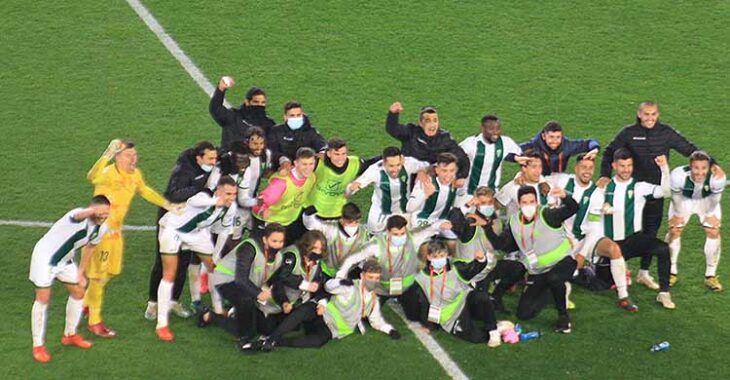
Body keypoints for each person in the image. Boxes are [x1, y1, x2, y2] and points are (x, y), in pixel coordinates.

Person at [84, 140, 179, 338]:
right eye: (129, 155)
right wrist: (106, 155)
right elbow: (91, 177)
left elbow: (145, 191)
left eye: (135, 155)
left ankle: (86, 303)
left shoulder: (135, 175)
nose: (134, 159)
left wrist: (167, 205)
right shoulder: (109, 173)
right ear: (118, 157)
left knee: (112, 272)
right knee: (98, 277)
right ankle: (94, 320)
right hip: (100, 233)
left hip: (116, 233)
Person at [599, 101, 710, 239]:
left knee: (651, 230)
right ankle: (612, 257)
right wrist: (605, 175)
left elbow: (689, 149)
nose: (650, 118)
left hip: (657, 190)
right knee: (625, 229)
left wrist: (713, 165)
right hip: (634, 190)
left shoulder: (666, 133)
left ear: (658, 114)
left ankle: (645, 261)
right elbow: (609, 152)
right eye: (646, 114)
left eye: (653, 114)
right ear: (639, 114)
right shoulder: (628, 133)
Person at [485, 185, 579, 333]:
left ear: (536, 202)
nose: (529, 205)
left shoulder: (548, 214)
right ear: (519, 203)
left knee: (555, 278)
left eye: (531, 201)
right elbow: (505, 246)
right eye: (525, 202)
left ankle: (563, 318)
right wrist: (486, 228)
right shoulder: (514, 221)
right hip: (538, 270)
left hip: (563, 262)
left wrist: (565, 196)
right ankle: (556, 291)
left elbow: (573, 208)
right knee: (524, 313)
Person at [154, 177, 237, 341]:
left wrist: (216, 254)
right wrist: (215, 202)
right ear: (218, 191)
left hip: (197, 234)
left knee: (215, 267)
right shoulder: (203, 197)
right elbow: (194, 201)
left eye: (234, 194)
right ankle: (161, 324)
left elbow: (224, 232)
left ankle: (218, 309)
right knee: (169, 274)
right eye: (228, 193)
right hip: (173, 231)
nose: (231, 198)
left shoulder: (231, 207)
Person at [29, 196, 111, 363]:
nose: (104, 216)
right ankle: (38, 345)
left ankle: (70, 335)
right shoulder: (77, 216)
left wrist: (81, 272)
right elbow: (78, 216)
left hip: (64, 260)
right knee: (43, 299)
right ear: (92, 209)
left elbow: (90, 248)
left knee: (79, 291)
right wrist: (91, 211)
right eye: (101, 212)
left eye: (107, 213)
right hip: (45, 258)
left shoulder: (101, 228)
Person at [551, 154, 638, 311]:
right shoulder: (563, 181)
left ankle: (623, 296)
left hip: (585, 238)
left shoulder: (596, 194)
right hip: (562, 238)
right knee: (558, 271)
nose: (587, 171)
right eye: (584, 167)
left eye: (591, 168)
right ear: (576, 168)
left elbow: (594, 226)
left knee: (614, 249)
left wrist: (583, 253)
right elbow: (542, 177)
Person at [593, 149, 675, 308]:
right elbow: (590, 211)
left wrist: (664, 168)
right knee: (602, 284)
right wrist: (601, 207)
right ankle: (591, 269)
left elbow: (666, 192)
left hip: (633, 239)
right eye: (622, 166)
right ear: (614, 166)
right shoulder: (604, 187)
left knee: (663, 249)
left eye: (629, 165)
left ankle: (664, 293)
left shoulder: (639, 187)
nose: (626, 169)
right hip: (610, 244)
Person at [145, 141, 218, 320]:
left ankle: (173, 301)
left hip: (189, 222)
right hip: (170, 221)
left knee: (183, 262)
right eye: (210, 159)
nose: (214, 162)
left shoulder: (205, 164)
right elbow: (173, 195)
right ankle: (153, 303)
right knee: (162, 263)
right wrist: (201, 191)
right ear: (198, 157)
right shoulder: (183, 171)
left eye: (215, 158)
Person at [259, 260, 400, 351]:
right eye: (370, 277)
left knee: (317, 342)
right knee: (303, 312)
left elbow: (376, 321)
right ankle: (272, 338)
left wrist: (389, 330)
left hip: (331, 328)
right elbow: (328, 286)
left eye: (376, 278)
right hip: (321, 312)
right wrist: (341, 281)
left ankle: (277, 342)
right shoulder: (349, 286)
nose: (373, 281)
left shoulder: (373, 299)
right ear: (362, 276)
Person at [334, 215, 445, 321]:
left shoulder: (412, 237)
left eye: (402, 233)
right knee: (365, 317)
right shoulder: (375, 245)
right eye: (396, 234)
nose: (400, 237)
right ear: (388, 232)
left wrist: (442, 224)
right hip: (381, 288)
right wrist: (340, 275)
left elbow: (430, 228)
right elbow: (352, 258)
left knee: (415, 316)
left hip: (405, 286)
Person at [198, 224, 287, 347]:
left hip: (248, 286)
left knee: (265, 329)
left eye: (281, 241)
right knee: (248, 329)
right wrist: (258, 293)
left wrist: (280, 299)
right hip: (225, 280)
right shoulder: (248, 248)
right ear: (265, 239)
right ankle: (214, 318)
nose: (277, 245)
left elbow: (272, 280)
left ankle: (227, 314)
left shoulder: (279, 257)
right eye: (274, 241)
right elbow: (240, 279)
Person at [414, 239, 500, 347]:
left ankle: (493, 330)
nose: (440, 259)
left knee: (481, 296)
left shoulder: (456, 268)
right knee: (476, 338)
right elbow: (424, 303)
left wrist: (481, 259)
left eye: (442, 256)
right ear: (429, 257)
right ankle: (501, 328)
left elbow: (474, 268)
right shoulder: (421, 278)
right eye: (436, 257)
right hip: (451, 315)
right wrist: (429, 325)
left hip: (465, 300)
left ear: (447, 255)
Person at [666, 151, 726, 291]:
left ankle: (710, 275)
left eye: (703, 168)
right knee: (674, 230)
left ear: (709, 167)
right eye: (696, 168)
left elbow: (715, 198)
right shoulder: (678, 175)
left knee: (713, 231)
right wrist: (678, 214)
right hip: (684, 200)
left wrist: (710, 214)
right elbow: (676, 197)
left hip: (707, 201)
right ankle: (671, 271)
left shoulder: (717, 178)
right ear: (690, 166)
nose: (700, 172)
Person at [347, 146, 431, 233]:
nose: (395, 169)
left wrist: (422, 172)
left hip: (404, 210)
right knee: (375, 238)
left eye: (398, 165)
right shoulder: (374, 170)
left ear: (401, 159)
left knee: (411, 236)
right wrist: (351, 188)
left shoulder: (409, 163)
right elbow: (354, 187)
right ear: (384, 162)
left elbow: (427, 166)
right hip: (380, 212)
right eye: (391, 166)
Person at [386, 102, 470, 185]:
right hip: (407, 174)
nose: (432, 124)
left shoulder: (444, 138)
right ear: (421, 123)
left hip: (430, 177)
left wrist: (461, 177)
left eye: (435, 120)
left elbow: (463, 158)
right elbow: (393, 129)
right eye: (428, 121)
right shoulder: (411, 132)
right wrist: (393, 114)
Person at [253, 147, 317, 245]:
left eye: (311, 164)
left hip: (289, 222)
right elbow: (259, 202)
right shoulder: (281, 183)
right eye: (304, 164)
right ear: (295, 163)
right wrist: (262, 211)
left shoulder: (311, 178)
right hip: (270, 223)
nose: (308, 168)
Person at [306, 137, 379, 219]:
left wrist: (388, 156)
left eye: (344, 154)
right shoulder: (317, 162)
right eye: (337, 154)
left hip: (336, 214)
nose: (341, 158)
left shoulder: (354, 164)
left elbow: (371, 163)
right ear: (329, 154)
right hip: (312, 212)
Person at [302, 203, 371, 278]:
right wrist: (309, 212)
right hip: (326, 272)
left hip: (349, 272)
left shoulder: (364, 232)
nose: (353, 225)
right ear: (342, 219)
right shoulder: (331, 228)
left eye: (356, 221)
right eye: (350, 222)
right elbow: (311, 224)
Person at [209, 76, 276, 150]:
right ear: (247, 102)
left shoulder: (268, 123)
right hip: (230, 158)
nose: (259, 105)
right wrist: (221, 89)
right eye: (256, 102)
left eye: (263, 102)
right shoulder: (233, 116)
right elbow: (216, 109)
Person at [459, 114, 522, 192]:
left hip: (491, 193)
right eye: (491, 129)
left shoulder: (506, 142)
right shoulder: (470, 143)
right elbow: (454, 159)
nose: (495, 133)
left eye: (498, 129)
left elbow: (520, 157)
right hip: (468, 192)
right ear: (482, 129)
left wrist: (520, 173)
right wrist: (459, 176)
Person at [517, 120, 600, 175]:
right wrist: (515, 158)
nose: (555, 141)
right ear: (543, 136)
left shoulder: (567, 146)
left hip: (560, 178)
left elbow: (590, 142)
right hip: (537, 178)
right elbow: (509, 151)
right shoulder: (533, 146)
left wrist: (595, 149)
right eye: (551, 137)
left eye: (558, 137)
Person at [407, 153, 464, 228]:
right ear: (437, 170)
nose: (448, 175)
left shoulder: (456, 184)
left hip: (442, 221)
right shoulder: (426, 182)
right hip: (421, 221)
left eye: (452, 170)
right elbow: (409, 208)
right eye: (444, 171)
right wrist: (425, 195)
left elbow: (460, 204)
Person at [267, 101, 327, 166]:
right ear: (285, 117)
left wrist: (323, 151)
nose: (296, 118)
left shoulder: (310, 131)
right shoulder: (276, 131)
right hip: (283, 168)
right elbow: (272, 150)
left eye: (298, 115)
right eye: (292, 115)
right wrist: (282, 159)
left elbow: (322, 144)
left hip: (305, 168)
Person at [496, 151, 555, 215]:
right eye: (534, 167)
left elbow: (553, 209)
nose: (538, 171)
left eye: (540, 166)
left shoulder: (548, 186)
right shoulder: (512, 188)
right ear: (524, 168)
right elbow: (494, 206)